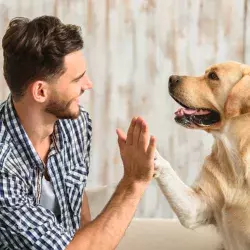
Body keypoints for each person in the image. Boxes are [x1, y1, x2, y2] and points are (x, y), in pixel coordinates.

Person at [0, 15, 156, 250]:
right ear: (40, 91)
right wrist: (134, 182)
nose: (88, 84)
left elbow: (79, 212)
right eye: (77, 79)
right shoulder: (3, 166)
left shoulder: (74, 124)